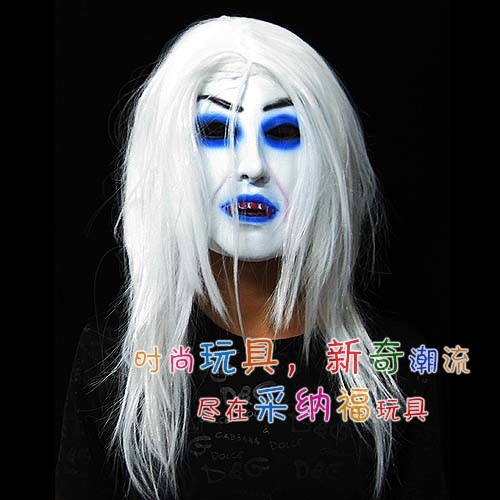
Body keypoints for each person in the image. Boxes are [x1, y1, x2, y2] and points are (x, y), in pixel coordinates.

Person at [56, 16, 448, 499]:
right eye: (215, 129)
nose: (252, 167)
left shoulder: (395, 363)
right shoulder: (114, 362)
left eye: (282, 131)